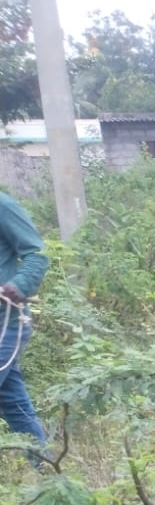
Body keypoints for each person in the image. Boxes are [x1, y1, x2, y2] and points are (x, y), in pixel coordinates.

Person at [0, 188, 50, 467]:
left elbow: (37, 253)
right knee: (14, 406)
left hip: (4, 324)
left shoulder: (4, 206)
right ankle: (50, 481)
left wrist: (19, 285)